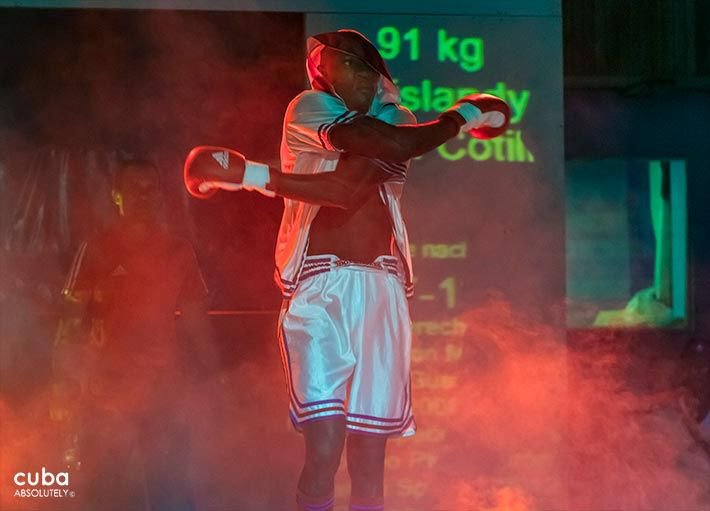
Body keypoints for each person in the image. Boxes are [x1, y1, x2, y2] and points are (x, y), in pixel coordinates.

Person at [183, 29, 509, 511]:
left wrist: (247, 176)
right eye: (347, 65)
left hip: (382, 288)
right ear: (321, 70)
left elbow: (352, 182)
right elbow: (358, 172)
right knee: (325, 446)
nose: (360, 75)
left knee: (369, 458)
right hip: (320, 286)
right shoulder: (310, 108)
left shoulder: (395, 121)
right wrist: (461, 115)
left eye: (368, 68)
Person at [53, 159, 218, 511]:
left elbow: (196, 323)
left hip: (163, 388)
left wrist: (214, 380)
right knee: (105, 485)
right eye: (133, 188)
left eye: (150, 188)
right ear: (116, 195)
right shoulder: (97, 247)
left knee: (169, 481)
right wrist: (65, 382)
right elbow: (70, 320)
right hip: (106, 389)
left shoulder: (178, 250)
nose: (144, 196)